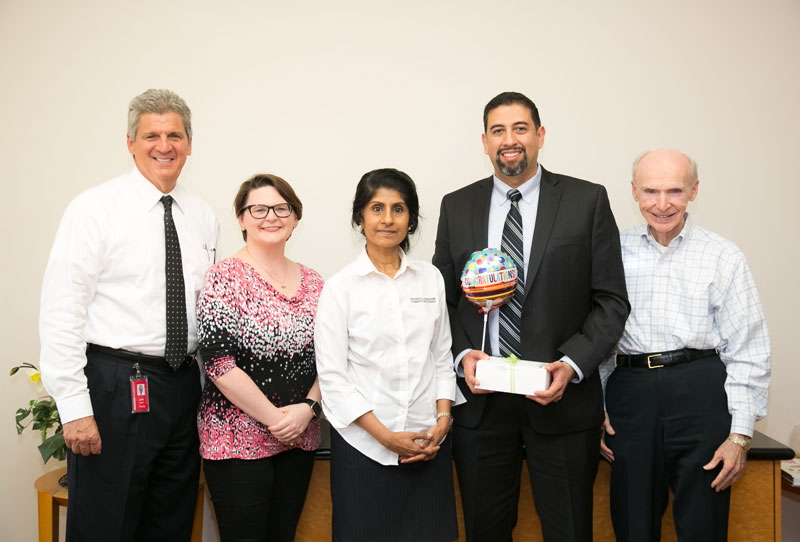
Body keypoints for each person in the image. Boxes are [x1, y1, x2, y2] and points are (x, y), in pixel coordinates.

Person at [432, 91, 630, 542]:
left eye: (520, 128)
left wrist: (573, 364)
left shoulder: (587, 200)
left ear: (539, 136)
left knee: (570, 530)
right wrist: (463, 353)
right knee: (486, 530)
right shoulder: (456, 205)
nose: (510, 140)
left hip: (561, 401)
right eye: (498, 131)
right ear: (484, 141)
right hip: (482, 405)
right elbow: (441, 300)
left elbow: (611, 301)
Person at [39, 89, 219, 541]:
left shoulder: (202, 215)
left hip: (182, 387)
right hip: (116, 386)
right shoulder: (93, 209)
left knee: (171, 522)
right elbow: (62, 310)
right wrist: (74, 409)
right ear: (130, 142)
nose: (165, 145)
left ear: (190, 143)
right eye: (151, 135)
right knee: (106, 525)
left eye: (175, 134)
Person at [599, 149, 771, 541]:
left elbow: (748, 349)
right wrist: (597, 404)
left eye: (675, 191)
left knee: (703, 526)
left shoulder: (723, 255)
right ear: (634, 192)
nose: (662, 205)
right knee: (632, 524)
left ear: (694, 191)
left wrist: (739, 436)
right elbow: (598, 336)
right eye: (651, 191)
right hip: (632, 396)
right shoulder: (611, 250)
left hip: (702, 393)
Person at [315, 168, 459, 542]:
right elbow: (333, 378)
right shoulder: (339, 288)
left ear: (410, 219)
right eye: (377, 208)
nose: (388, 219)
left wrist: (443, 422)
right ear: (360, 217)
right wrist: (385, 437)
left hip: (428, 445)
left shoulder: (431, 279)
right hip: (364, 451)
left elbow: (442, 357)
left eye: (399, 209)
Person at [197, 173, 324, 541]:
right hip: (235, 439)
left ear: (295, 218)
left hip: (301, 435)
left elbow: (333, 358)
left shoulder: (316, 283)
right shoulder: (224, 277)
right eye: (258, 208)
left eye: (282, 208)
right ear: (241, 219)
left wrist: (306, 411)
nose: (271, 216)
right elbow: (219, 363)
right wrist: (276, 421)